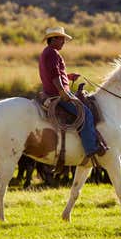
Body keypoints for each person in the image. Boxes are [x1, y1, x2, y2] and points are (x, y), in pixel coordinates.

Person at [38, 26, 106, 166]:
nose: (64, 41)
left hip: (53, 91)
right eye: (62, 39)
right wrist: (63, 92)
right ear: (54, 39)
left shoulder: (48, 52)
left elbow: (54, 73)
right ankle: (90, 148)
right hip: (57, 94)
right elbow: (55, 76)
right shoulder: (52, 53)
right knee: (85, 113)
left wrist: (68, 76)